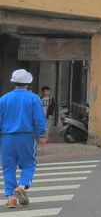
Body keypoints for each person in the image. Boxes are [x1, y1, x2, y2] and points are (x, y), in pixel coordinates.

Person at [0, 69, 47, 208]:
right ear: (27, 84)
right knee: (29, 164)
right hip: (26, 136)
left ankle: (11, 199)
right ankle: (21, 186)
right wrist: (41, 135)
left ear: (13, 82)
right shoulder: (33, 98)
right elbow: (39, 118)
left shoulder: (3, 99)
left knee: (8, 167)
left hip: (7, 137)